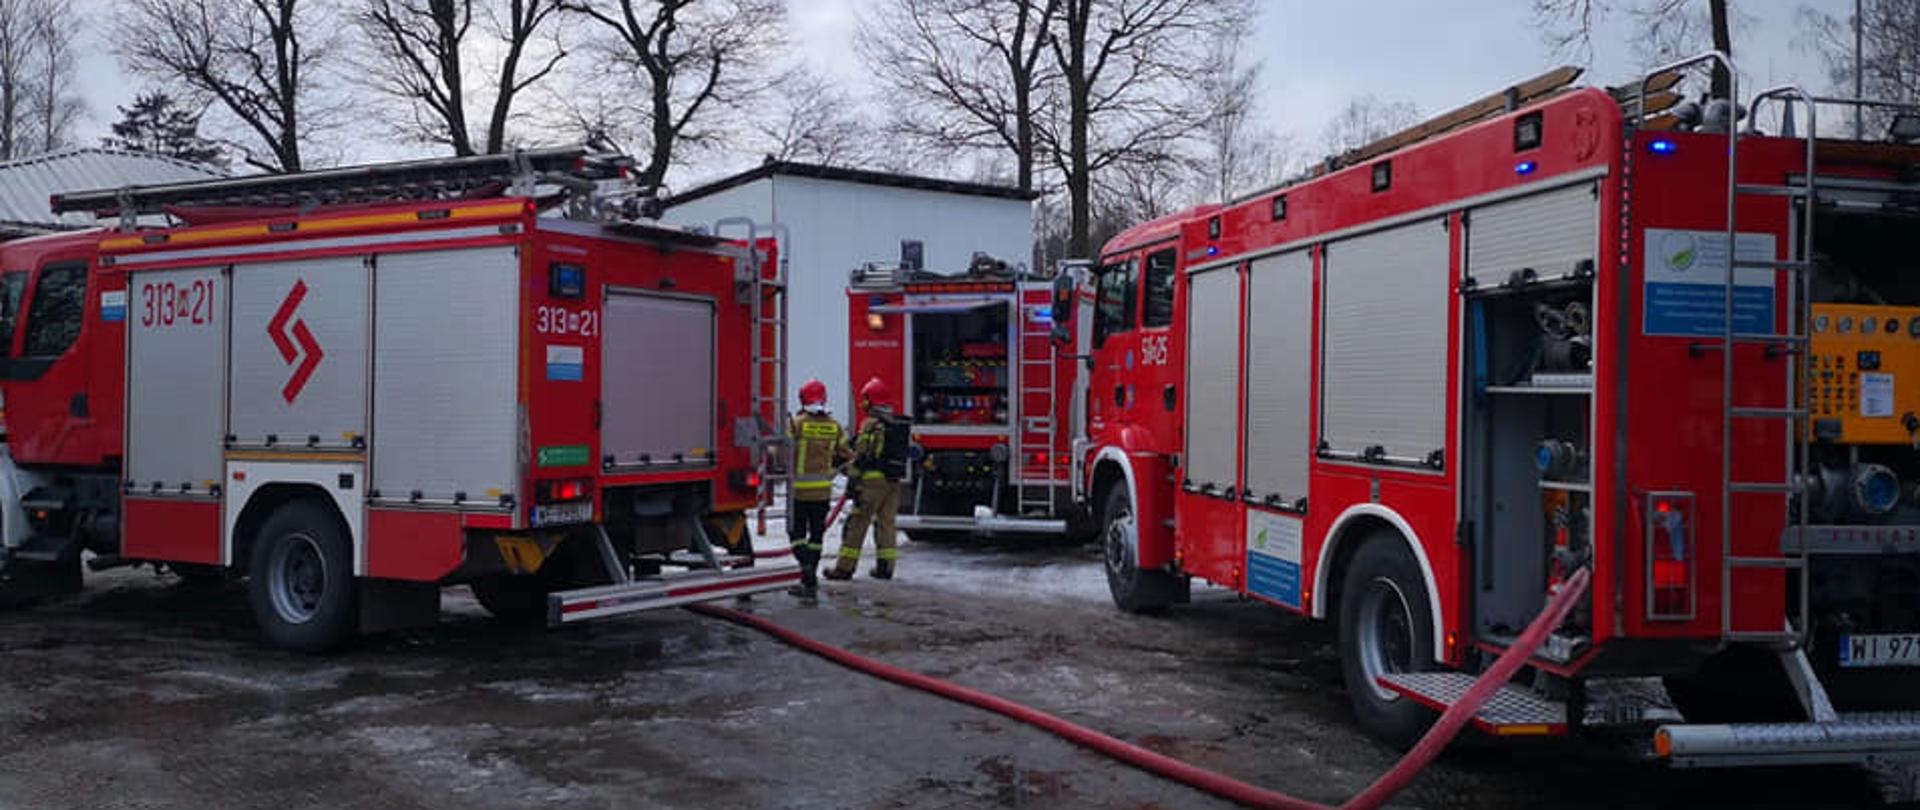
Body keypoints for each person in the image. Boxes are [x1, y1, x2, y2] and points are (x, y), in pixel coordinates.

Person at [827, 377, 907, 581]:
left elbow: (862, 454)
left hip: (872, 484)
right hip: (892, 482)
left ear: (870, 400)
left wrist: (851, 476)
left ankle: (844, 568)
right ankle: (885, 568)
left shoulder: (871, 424)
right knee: (886, 525)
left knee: (857, 524)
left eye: (865, 399)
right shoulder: (893, 422)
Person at [786, 379, 847, 601]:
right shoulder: (835, 426)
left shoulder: (797, 424)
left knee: (796, 534)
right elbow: (845, 454)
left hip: (799, 492)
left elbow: (783, 452)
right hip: (822, 492)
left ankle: (806, 570)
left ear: (803, 398)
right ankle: (810, 575)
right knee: (816, 536)